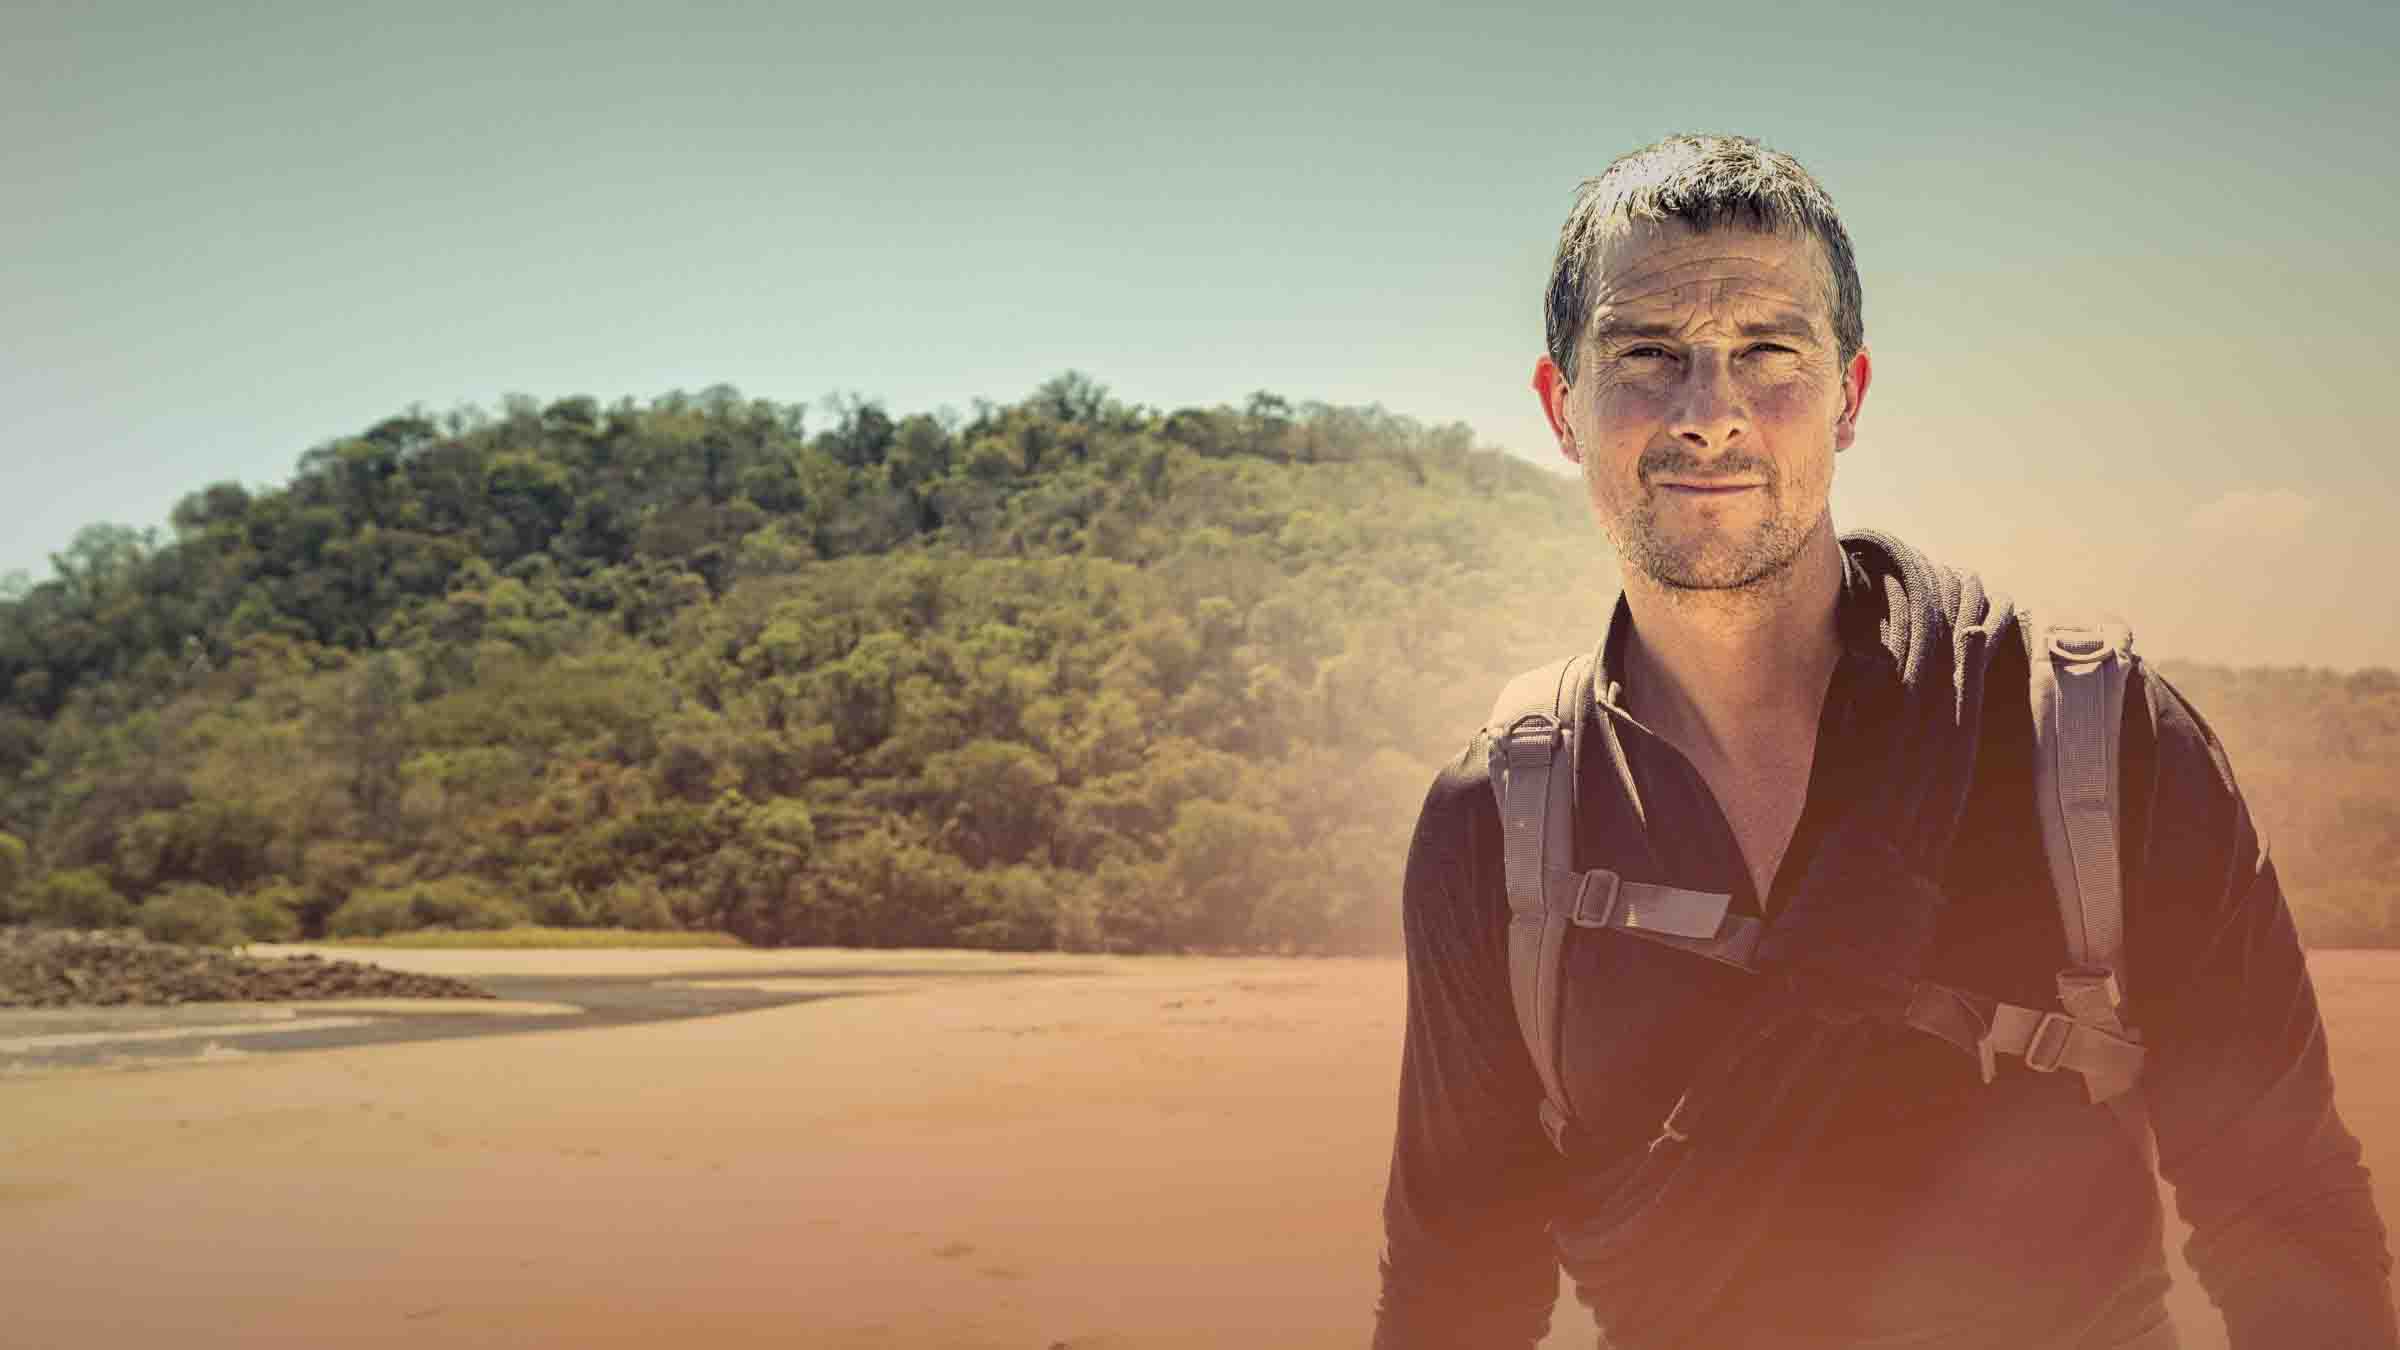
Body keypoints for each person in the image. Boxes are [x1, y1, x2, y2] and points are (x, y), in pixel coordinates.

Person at [1371, 133, 2397, 1350]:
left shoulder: (2101, 750)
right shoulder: (1498, 821)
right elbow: (1455, 1296)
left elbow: (2289, 1230)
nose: (1709, 414)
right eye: (1647, 354)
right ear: (1563, 407)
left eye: (1769, 353)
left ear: (1848, 396)